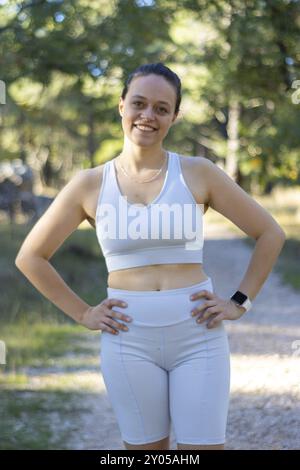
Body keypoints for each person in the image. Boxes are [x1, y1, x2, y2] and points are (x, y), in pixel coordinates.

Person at [15, 62, 286, 451]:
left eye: (161, 108)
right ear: (121, 106)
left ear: (174, 116)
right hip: (128, 340)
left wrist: (239, 302)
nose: (148, 115)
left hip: (198, 336)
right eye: (139, 103)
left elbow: (270, 233)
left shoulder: (198, 173)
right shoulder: (89, 184)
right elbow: (31, 256)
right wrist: (83, 313)